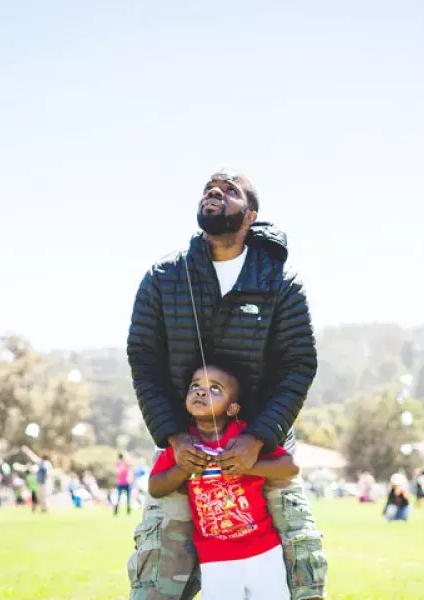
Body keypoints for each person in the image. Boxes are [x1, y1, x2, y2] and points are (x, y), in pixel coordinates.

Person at [127, 169, 326, 600]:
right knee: (155, 584)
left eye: (229, 190)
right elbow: (144, 361)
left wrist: (257, 438)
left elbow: (299, 365)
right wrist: (174, 437)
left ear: (251, 215)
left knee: (302, 584)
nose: (214, 192)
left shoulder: (281, 281)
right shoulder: (164, 276)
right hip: (187, 451)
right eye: (208, 189)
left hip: (264, 449)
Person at [149, 361, 297, 600]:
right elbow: (155, 487)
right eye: (194, 386)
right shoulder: (183, 446)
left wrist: (251, 465)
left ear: (232, 408)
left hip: (263, 550)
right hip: (215, 557)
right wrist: (181, 469)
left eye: (215, 388)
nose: (200, 391)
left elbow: (290, 467)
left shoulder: (244, 440)